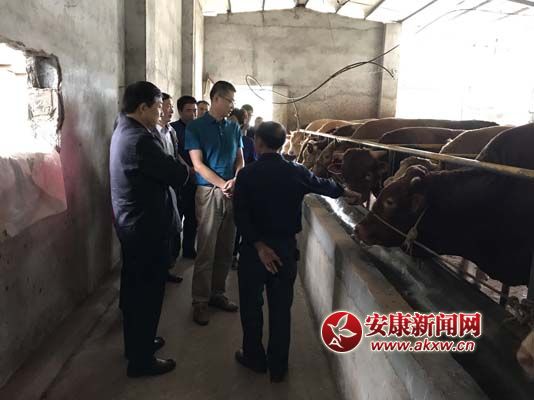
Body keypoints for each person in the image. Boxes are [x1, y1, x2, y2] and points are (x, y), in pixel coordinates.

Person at [233, 121, 361, 382]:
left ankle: (254, 358)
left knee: (251, 306)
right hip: (284, 249)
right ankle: (278, 367)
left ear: (258, 143)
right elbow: (323, 185)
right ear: (282, 143)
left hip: (253, 251)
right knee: (281, 309)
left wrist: (259, 247)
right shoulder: (296, 171)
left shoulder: (246, 175)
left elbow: (241, 217)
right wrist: (346, 192)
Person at [110, 81, 189, 377]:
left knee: (135, 292)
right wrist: (180, 167)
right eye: (157, 107)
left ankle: (137, 345)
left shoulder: (123, 129)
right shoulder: (142, 140)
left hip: (132, 224)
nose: (160, 113)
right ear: (142, 107)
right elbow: (178, 174)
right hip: (146, 228)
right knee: (147, 296)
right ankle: (141, 361)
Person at [185, 81, 244, 326]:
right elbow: (197, 164)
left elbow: (240, 159)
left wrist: (236, 179)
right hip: (209, 192)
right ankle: (200, 300)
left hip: (232, 191)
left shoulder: (234, 127)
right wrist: (222, 184)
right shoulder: (195, 127)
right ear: (216, 99)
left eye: (233, 101)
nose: (232, 105)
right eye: (229, 100)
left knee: (226, 247)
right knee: (206, 248)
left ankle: (217, 293)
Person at [156, 93, 185, 284]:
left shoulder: (171, 131)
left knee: (173, 228)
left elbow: (175, 155)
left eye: (171, 106)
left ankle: (167, 267)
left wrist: (186, 169)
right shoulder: (152, 133)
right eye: (167, 106)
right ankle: (160, 271)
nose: (170, 110)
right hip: (161, 186)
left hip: (172, 185)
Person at [170, 96, 198, 259]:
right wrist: (188, 168)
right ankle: (173, 252)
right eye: (188, 110)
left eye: (194, 110)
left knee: (193, 218)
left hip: (196, 181)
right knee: (176, 217)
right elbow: (173, 153)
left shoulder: (199, 129)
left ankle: (189, 249)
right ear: (180, 111)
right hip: (179, 181)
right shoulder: (172, 129)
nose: (193, 114)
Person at [228, 108, 256, 269]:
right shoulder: (222, 139)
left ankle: (234, 254)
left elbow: (252, 162)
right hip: (224, 185)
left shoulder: (248, 142)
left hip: (242, 186)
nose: (230, 124)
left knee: (239, 221)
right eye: (228, 121)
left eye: (234, 122)